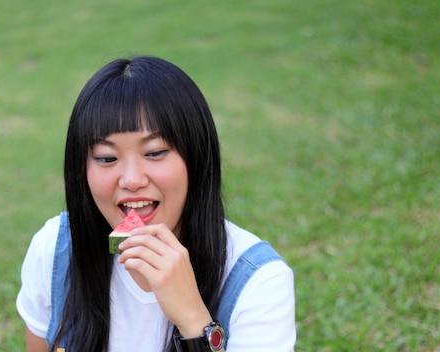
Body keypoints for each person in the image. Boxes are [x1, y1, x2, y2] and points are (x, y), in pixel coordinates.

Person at [16, 56, 296, 352]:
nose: (132, 180)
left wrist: (194, 321)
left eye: (155, 152)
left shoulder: (260, 283)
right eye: (106, 158)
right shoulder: (55, 250)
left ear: (197, 158)